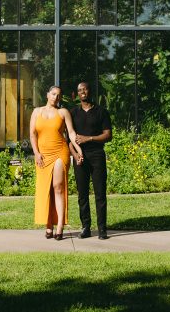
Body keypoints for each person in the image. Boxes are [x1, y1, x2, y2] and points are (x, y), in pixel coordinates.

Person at [29, 84, 82, 240]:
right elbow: (32, 135)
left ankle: (59, 226)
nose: (55, 97)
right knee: (46, 190)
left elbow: (71, 133)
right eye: (53, 94)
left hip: (60, 152)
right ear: (47, 94)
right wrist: (36, 153)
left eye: (58, 95)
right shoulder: (36, 112)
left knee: (57, 187)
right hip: (42, 155)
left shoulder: (63, 112)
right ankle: (48, 226)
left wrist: (79, 150)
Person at [70, 81, 112, 240]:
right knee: (82, 194)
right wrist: (75, 155)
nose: (82, 92)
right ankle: (86, 227)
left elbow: (108, 135)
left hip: (97, 155)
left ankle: (102, 229)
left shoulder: (101, 112)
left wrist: (89, 138)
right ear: (77, 94)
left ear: (89, 91)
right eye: (79, 90)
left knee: (100, 193)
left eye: (85, 89)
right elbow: (69, 140)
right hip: (80, 157)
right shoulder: (73, 113)